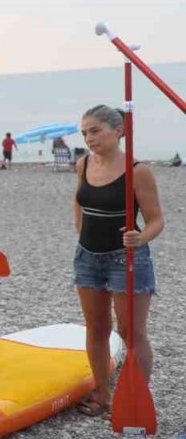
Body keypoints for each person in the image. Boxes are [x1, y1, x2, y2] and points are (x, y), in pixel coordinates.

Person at [72, 104, 164, 417]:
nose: (89, 138)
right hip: (87, 258)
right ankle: (103, 393)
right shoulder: (83, 164)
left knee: (131, 334)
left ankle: (136, 397)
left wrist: (141, 237)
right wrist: (81, 232)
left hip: (127, 258)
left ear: (119, 131)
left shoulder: (137, 171)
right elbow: (79, 201)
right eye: (85, 132)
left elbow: (155, 221)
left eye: (95, 130)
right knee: (96, 329)